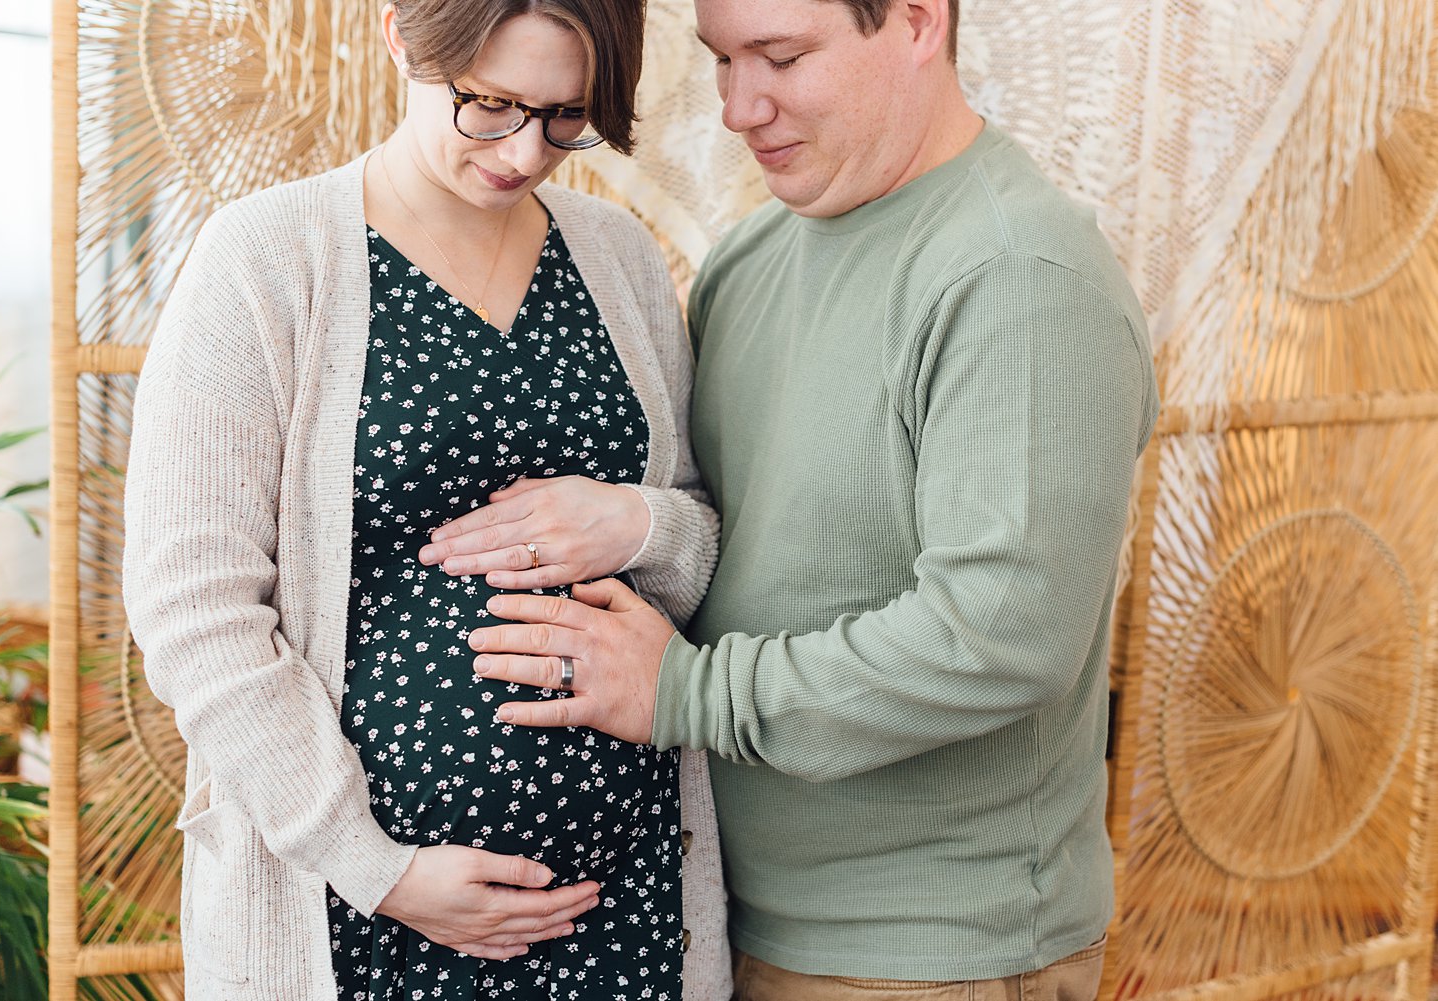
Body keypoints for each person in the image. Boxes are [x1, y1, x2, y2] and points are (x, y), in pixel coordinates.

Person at [457, 0, 1160, 998]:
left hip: (930, 952)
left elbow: (1002, 632)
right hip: (719, 916)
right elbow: (728, 543)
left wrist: (685, 693)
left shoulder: (1016, 274)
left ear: (917, 22)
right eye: (723, 60)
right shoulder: (749, 261)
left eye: (782, 57)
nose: (741, 106)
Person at [121, 1, 733, 998]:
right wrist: (381, 867)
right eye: (489, 104)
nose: (525, 152)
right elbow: (193, 608)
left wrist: (639, 522)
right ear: (401, 36)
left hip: (623, 899)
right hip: (361, 917)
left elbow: (701, 535)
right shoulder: (264, 261)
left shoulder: (617, 257)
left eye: (567, 117)